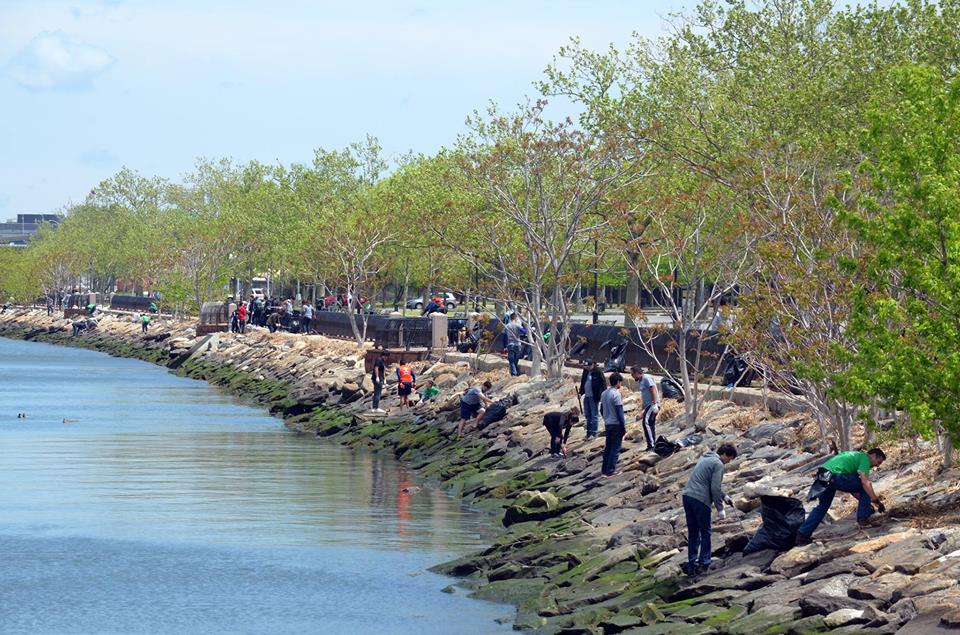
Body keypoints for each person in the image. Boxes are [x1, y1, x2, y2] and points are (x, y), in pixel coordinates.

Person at [796, 448, 887, 544]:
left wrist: (866, 504)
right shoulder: (865, 458)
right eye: (878, 462)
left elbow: (852, 489)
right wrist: (876, 501)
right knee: (865, 486)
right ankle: (863, 520)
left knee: (822, 506)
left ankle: (802, 535)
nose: (877, 465)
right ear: (872, 455)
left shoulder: (854, 457)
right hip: (835, 476)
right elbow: (865, 483)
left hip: (823, 476)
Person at [681, 444, 738, 576]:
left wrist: (725, 497)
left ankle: (691, 564)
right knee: (705, 532)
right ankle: (704, 563)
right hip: (700, 500)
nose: (729, 462)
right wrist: (720, 509)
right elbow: (715, 488)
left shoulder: (705, 459)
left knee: (693, 532)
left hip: (687, 496)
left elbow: (709, 484)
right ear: (725, 454)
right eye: (730, 459)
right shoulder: (718, 464)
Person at [599, 372, 626, 477]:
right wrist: (623, 426)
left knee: (608, 447)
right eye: (620, 382)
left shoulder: (604, 393)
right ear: (618, 382)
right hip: (616, 424)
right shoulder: (616, 394)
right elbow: (620, 412)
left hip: (608, 423)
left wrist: (605, 417)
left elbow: (601, 409)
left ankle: (604, 470)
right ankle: (610, 470)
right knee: (615, 447)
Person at [630, 366, 661, 451]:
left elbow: (653, 389)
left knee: (646, 423)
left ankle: (651, 445)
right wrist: (643, 407)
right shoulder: (641, 381)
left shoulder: (646, 378)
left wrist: (655, 404)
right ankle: (652, 443)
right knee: (650, 424)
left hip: (652, 404)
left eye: (633, 374)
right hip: (648, 405)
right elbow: (645, 394)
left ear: (637, 373)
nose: (632, 376)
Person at [579, 360, 606, 439]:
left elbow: (603, 384)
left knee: (594, 415)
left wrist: (602, 395)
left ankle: (594, 433)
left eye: (588, 366)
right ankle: (588, 432)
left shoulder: (598, 371)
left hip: (594, 396)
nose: (586, 368)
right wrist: (581, 392)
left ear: (592, 365)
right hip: (587, 396)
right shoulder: (585, 371)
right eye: (585, 366)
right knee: (587, 414)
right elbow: (583, 382)